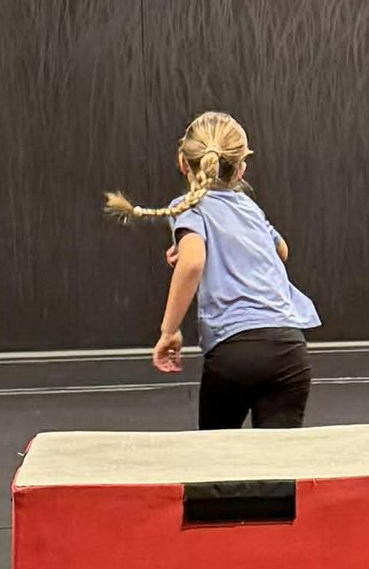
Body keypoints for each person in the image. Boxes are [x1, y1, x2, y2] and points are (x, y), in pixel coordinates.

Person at [105, 111, 317, 429]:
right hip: (289, 349)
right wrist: (221, 249)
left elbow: (192, 263)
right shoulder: (249, 206)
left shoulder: (190, 207)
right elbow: (281, 251)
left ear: (183, 163)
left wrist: (168, 331)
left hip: (235, 351)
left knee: (216, 455)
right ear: (241, 167)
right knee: (278, 458)